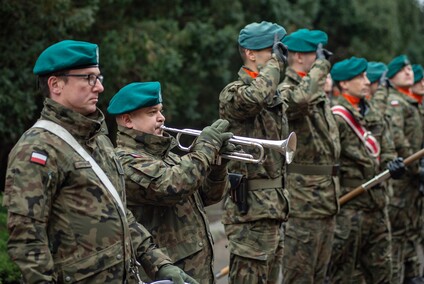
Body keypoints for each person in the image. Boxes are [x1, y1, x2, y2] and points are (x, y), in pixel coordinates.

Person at [2, 40, 197, 284]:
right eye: (88, 78)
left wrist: (158, 264)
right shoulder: (38, 148)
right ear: (56, 84)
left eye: (98, 77)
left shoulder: (100, 141)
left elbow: (119, 214)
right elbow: (27, 239)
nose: (100, 87)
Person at [107, 81, 233, 283]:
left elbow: (207, 197)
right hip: (167, 272)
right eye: (152, 112)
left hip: (196, 270)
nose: (161, 118)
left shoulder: (168, 157)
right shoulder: (124, 161)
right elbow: (172, 186)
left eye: (160, 111)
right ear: (127, 120)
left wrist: (218, 166)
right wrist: (206, 149)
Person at [218, 21, 289, 283]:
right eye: (275, 50)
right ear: (250, 53)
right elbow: (253, 99)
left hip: (273, 209)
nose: (281, 57)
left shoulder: (273, 94)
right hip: (249, 214)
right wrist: (275, 66)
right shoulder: (233, 93)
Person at [327, 56, 404, 283]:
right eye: (359, 77)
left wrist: (393, 164)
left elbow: (387, 148)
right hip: (349, 206)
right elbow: (329, 160)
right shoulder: (335, 117)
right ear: (344, 84)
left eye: (366, 76)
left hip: (377, 205)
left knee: (382, 274)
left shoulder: (374, 113)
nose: (366, 81)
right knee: (344, 275)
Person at [276, 28, 341, 284]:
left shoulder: (317, 94)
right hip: (304, 203)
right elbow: (300, 101)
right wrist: (322, 66)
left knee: (319, 277)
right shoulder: (286, 90)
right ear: (300, 57)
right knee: (299, 277)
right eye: (318, 55)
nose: (323, 63)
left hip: (325, 200)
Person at [385, 55, 424, 283]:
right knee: (399, 237)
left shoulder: (410, 101)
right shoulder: (396, 102)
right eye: (403, 69)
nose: (409, 72)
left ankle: (412, 274)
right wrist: (418, 170)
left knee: (412, 233)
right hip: (402, 180)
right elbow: (399, 140)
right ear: (392, 77)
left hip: (412, 181)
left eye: (410, 68)